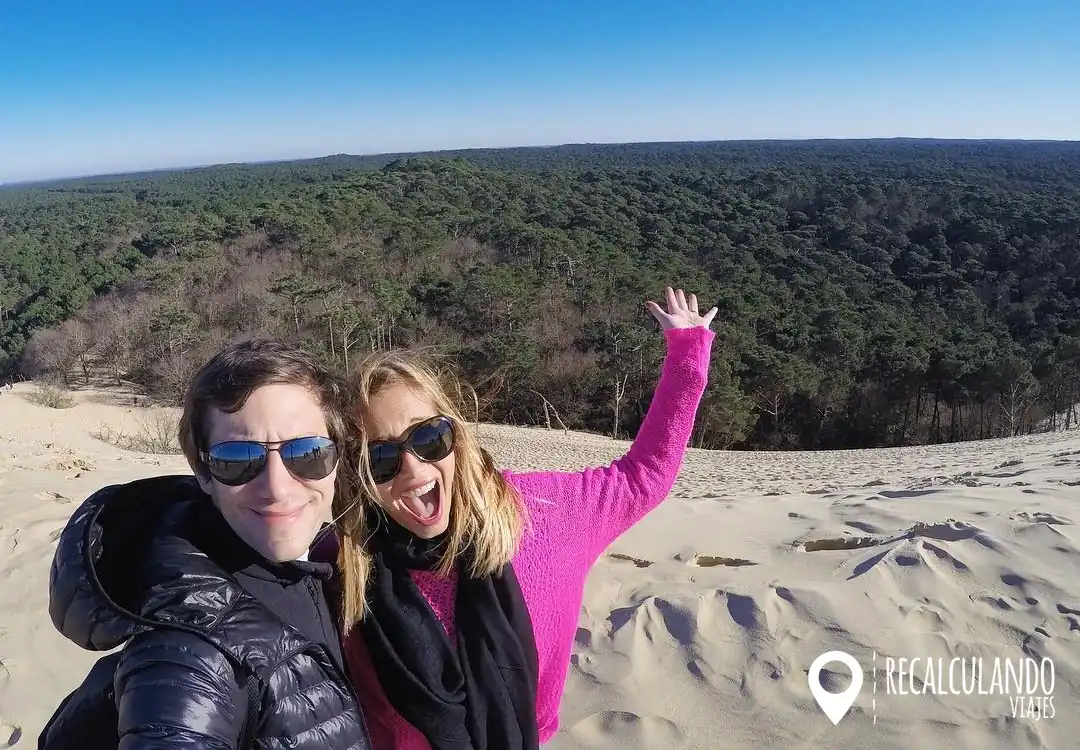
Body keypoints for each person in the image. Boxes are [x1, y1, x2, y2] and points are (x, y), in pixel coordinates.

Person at [335, 286, 716, 749]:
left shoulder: (547, 514)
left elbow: (643, 477)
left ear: (456, 432)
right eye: (381, 459)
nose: (414, 469)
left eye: (428, 437)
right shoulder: (346, 562)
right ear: (359, 474)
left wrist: (687, 358)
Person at [41, 338, 372, 750]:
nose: (277, 487)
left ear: (337, 460)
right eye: (238, 459)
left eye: (306, 453)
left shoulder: (327, 570)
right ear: (203, 472)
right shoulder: (188, 657)